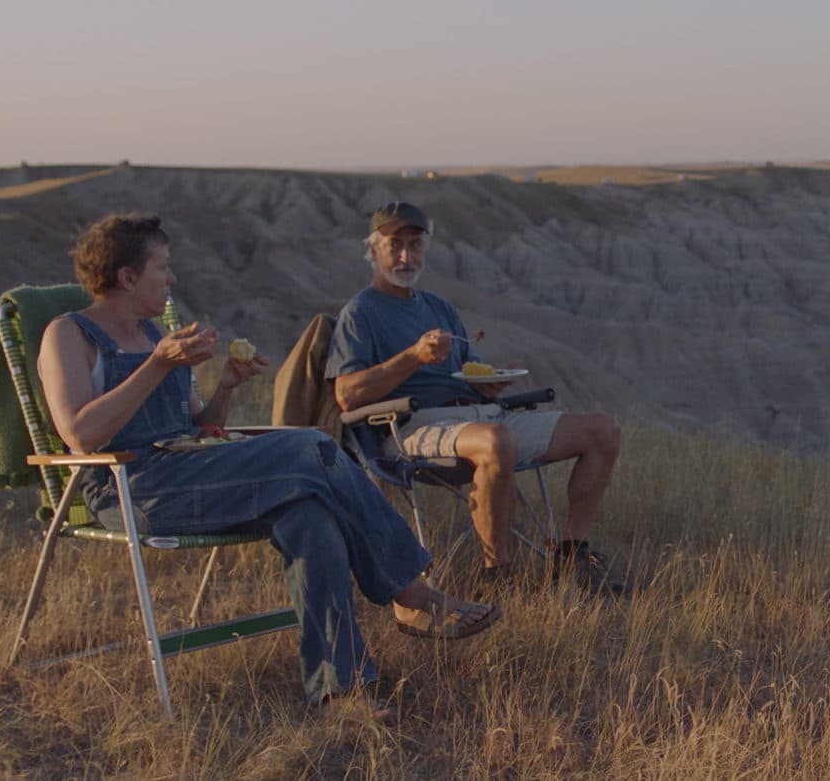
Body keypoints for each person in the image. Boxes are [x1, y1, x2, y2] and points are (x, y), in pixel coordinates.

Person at [37, 212, 497, 719]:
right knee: (311, 446)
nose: (171, 280)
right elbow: (79, 434)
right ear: (127, 277)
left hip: (192, 474)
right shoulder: (69, 336)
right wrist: (158, 366)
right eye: (162, 269)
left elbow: (198, 429)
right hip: (133, 489)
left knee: (310, 515)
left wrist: (226, 386)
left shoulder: (152, 335)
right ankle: (408, 591)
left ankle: (337, 692)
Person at [329, 201, 627, 595]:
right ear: (373, 251)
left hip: (480, 415)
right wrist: (412, 358)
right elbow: (347, 395)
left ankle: (571, 558)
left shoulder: (439, 308)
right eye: (395, 245)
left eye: (415, 245)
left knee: (602, 431)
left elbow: (467, 370)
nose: (406, 256)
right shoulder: (360, 312)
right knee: (494, 440)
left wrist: (488, 382)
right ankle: (496, 576)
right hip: (410, 427)